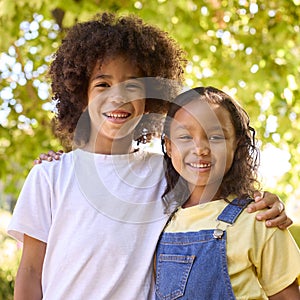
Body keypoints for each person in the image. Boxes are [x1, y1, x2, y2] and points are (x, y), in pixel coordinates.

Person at [7, 12, 291, 300]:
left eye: (132, 86)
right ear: (81, 95)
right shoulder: (50, 175)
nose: (118, 97)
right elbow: (30, 271)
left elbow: (218, 197)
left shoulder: (165, 171)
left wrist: (268, 202)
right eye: (103, 84)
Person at [155, 86, 300, 299]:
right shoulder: (160, 221)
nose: (200, 149)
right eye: (185, 136)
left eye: (215, 137)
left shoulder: (259, 219)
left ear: (237, 144)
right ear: (168, 145)